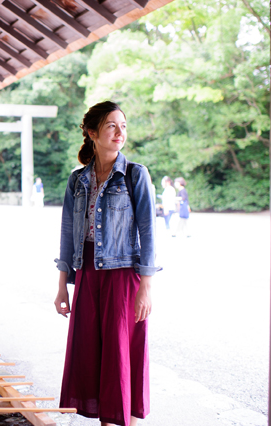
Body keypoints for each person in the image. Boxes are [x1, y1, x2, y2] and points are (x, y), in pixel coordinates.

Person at [54, 101, 158, 426]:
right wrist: (62, 285)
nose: (120, 132)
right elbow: (68, 233)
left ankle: (120, 421)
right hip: (86, 275)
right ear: (92, 132)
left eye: (123, 126)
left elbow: (149, 232)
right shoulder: (78, 180)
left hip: (122, 275)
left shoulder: (135, 175)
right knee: (91, 354)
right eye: (112, 125)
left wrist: (146, 287)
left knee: (118, 355)